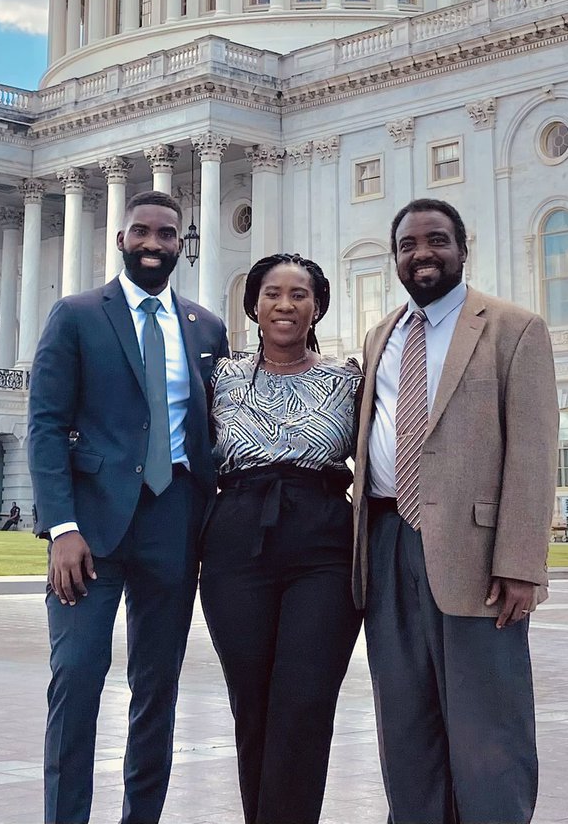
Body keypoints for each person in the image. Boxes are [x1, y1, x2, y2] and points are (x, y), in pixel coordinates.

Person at [352, 198, 559, 824]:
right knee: (404, 721)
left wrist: (522, 562)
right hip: (387, 541)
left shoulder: (512, 328)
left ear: (463, 249)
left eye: (437, 241)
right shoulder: (381, 335)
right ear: (395, 258)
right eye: (409, 245)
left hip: (476, 554)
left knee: (488, 727)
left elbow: (533, 450)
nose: (422, 254)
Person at [27, 190, 229, 824]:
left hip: (173, 525)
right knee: (77, 681)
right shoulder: (78, 315)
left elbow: (212, 428)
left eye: (166, 235)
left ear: (180, 245)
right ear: (121, 240)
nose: (153, 244)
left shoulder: (205, 327)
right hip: (88, 533)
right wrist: (60, 526)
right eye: (141, 232)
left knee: (157, 690)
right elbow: (46, 425)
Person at [199, 253, 363, 824]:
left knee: (305, 702)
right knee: (252, 700)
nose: (285, 305)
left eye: (299, 294)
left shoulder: (348, 380)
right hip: (236, 540)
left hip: (321, 539)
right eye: (273, 293)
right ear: (254, 304)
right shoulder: (221, 375)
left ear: (316, 306)